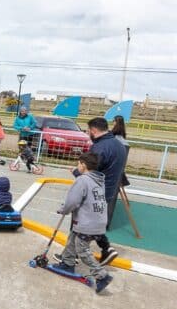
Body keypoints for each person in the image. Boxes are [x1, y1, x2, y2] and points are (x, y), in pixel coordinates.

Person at [55, 152, 114, 293]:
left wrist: (64, 209)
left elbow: (73, 201)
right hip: (97, 221)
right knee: (72, 239)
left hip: (88, 223)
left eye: (78, 164)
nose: (77, 166)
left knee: (82, 250)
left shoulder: (82, 180)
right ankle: (67, 263)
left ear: (84, 165)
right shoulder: (99, 180)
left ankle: (102, 276)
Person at [75, 117, 126, 265]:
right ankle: (106, 249)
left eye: (88, 130)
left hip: (95, 192)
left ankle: (71, 258)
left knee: (79, 224)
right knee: (94, 224)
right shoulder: (119, 145)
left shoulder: (99, 148)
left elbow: (89, 170)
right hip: (108, 191)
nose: (87, 133)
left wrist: (76, 172)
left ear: (94, 130)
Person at [111, 115, 130, 188]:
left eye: (113, 121)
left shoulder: (115, 132)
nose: (113, 122)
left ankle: (122, 180)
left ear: (116, 122)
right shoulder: (122, 132)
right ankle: (123, 180)